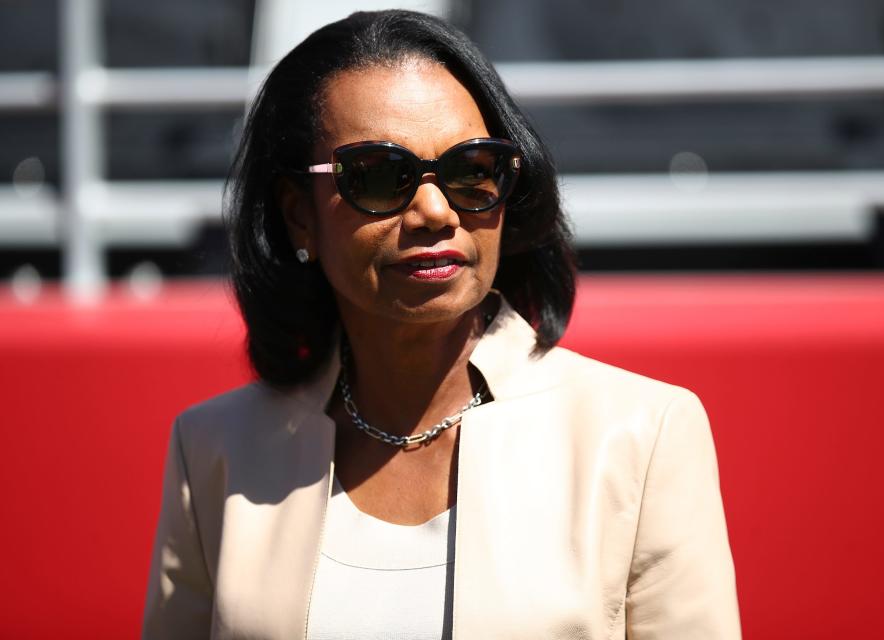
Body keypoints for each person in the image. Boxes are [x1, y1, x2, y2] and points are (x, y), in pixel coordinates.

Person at [142, 9, 740, 639]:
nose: (434, 210)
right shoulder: (214, 448)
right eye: (377, 175)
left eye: (472, 170)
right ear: (299, 216)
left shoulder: (642, 434)